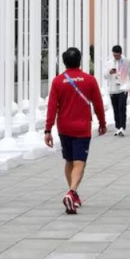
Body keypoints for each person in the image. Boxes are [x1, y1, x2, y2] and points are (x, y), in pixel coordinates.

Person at [44, 48, 107, 214]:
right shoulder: (89, 80)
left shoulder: (58, 81)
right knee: (80, 162)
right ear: (80, 60)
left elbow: (52, 107)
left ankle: (73, 193)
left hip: (64, 127)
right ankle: (71, 192)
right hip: (81, 127)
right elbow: (98, 104)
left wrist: (47, 129)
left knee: (69, 161)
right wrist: (102, 122)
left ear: (64, 62)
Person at [105, 46, 130, 136]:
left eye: (117, 55)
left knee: (122, 108)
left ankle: (122, 128)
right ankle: (117, 127)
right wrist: (109, 72)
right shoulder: (109, 62)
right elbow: (105, 76)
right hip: (113, 89)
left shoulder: (127, 62)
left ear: (121, 53)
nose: (116, 57)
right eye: (114, 55)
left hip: (123, 88)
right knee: (116, 109)